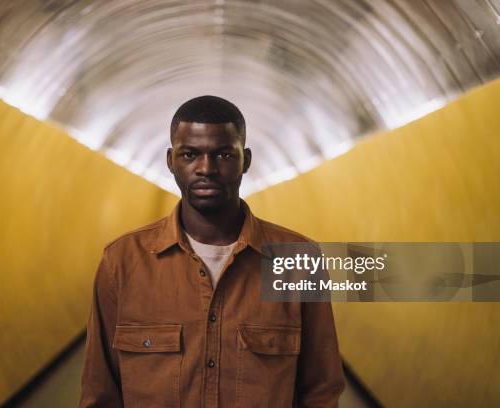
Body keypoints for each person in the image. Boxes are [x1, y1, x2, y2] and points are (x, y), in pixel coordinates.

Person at [79, 95, 345, 407]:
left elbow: (321, 390)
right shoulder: (122, 261)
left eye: (223, 155)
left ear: (245, 160)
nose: (206, 168)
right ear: (170, 160)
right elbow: (100, 391)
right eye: (190, 154)